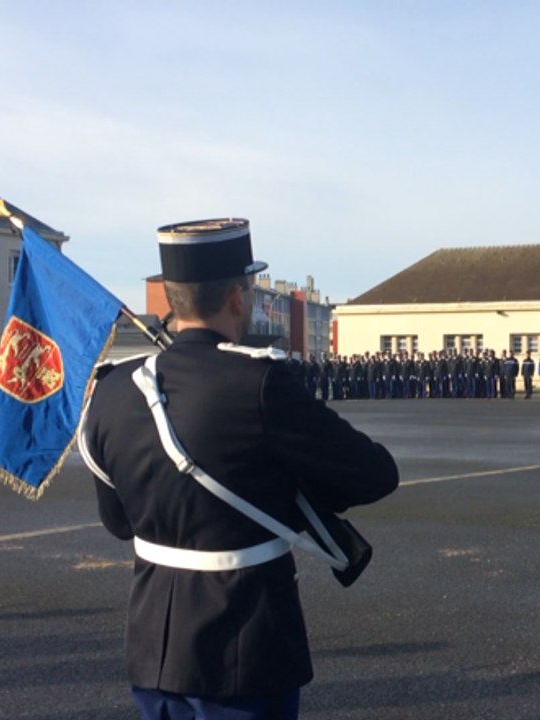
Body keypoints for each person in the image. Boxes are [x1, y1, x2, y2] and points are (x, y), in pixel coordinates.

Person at [80, 218, 398, 720]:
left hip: (153, 648)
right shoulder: (259, 383)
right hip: (243, 647)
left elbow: (118, 522)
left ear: (172, 299)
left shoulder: (113, 390)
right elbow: (375, 474)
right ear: (236, 296)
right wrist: (290, 487)